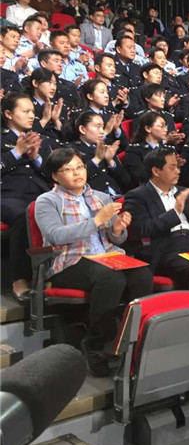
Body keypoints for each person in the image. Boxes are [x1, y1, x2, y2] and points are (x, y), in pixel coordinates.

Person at [36, 149, 154, 375]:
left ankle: (132, 340)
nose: (77, 173)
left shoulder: (101, 197)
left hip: (108, 255)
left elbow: (116, 238)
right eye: (68, 169)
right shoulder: (47, 201)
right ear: (55, 176)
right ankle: (95, 344)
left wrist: (117, 229)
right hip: (70, 260)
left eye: (80, 167)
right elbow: (55, 236)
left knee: (143, 275)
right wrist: (97, 220)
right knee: (111, 279)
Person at [124, 147, 189, 288]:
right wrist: (175, 212)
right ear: (156, 171)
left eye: (178, 167)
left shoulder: (183, 191)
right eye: (172, 168)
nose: (178, 171)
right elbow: (142, 229)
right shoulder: (137, 196)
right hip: (166, 248)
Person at [1, 93, 57, 302]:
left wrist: (36, 157)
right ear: (8, 114)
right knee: (25, 214)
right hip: (8, 195)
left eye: (33, 111)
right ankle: (20, 279)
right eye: (25, 111)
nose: (32, 115)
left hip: (40, 193)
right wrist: (17, 152)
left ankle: (60, 274)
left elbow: (52, 175)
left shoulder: (38, 138)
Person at [63, 110, 130, 195]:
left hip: (117, 195)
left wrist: (110, 161)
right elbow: (75, 179)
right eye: (98, 127)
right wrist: (97, 159)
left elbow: (126, 181)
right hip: (92, 198)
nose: (102, 131)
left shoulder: (105, 146)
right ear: (82, 129)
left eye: (102, 127)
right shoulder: (70, 150)